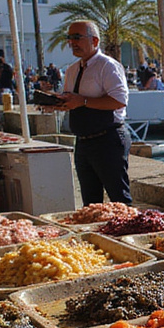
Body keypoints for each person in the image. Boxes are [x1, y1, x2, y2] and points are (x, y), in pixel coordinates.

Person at [50, 20, 131, 205]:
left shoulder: (107, 66)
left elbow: (119, 101)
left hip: (107, 139)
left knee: (119, 200)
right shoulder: (72, 70)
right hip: (83, 142)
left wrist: (83, 101)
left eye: (77, 37)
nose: (72, 42)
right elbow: (73, 100)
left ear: (94, 40)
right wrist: (57, 103)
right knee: (90, 203)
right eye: (69, 38)